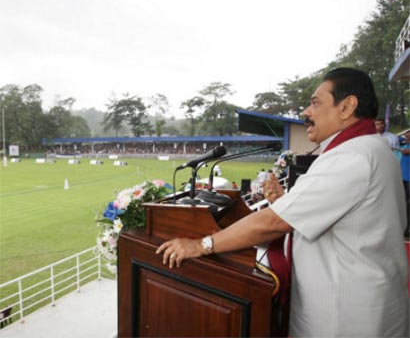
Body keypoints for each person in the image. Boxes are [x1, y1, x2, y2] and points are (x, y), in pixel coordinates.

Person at [156, 68, 409, 337]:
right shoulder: (369, 148)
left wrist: (201, 244)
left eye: (315, 102)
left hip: (346, 315)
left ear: (347, 106)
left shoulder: (352, 157)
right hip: (364, 301)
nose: (306, 112)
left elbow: (273, 222)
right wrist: (287, 203)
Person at [400, 129, 410, 238]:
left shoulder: (406, 149)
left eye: (408, 137)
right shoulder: (404, 146)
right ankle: (405, 229)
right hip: (403, 178)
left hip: (408, 180)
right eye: (406, 136)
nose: (406, 138)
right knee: (404, 203)